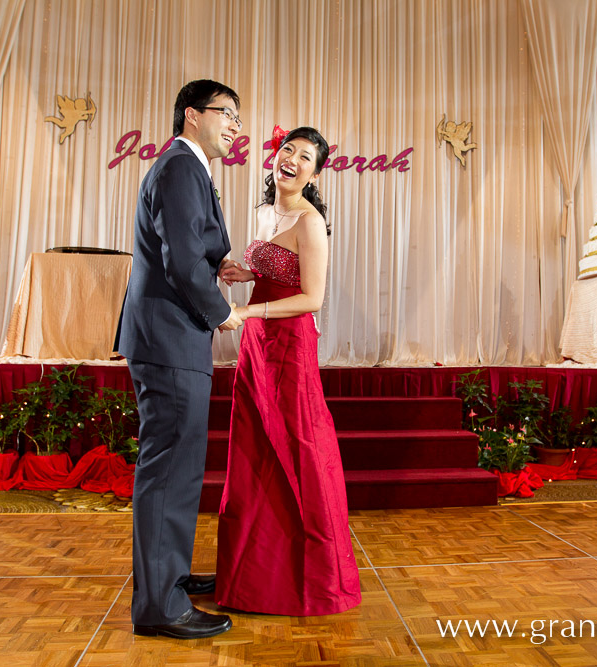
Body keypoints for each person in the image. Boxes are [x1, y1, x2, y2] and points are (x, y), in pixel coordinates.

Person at [214, 126, 362, 616]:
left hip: (289, 345)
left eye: (305, 157)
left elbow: (311, 298)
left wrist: (249, 312)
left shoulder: (310, 221)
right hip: (256, 344)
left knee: (298, 446)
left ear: (315, 172)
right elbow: (276, 272)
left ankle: (313, 579)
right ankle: (254, 574)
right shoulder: (262, 211)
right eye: (287, 151)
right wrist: (245, 274)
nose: (292, 160)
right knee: (254, 451)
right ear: (274, 158)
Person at [117, 79, 244, 640]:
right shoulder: (180, 167)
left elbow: (191, 250)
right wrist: (222, 311)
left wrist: (220, 268)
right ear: (192, 115)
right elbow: (181, 260)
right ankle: (161, 608)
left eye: (239, 118)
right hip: (169, 339)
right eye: (228, 114)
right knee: (169, 470)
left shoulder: (186, 167)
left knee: (178, 468)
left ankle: (167, 577)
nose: (236, 126)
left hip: (170, 337)